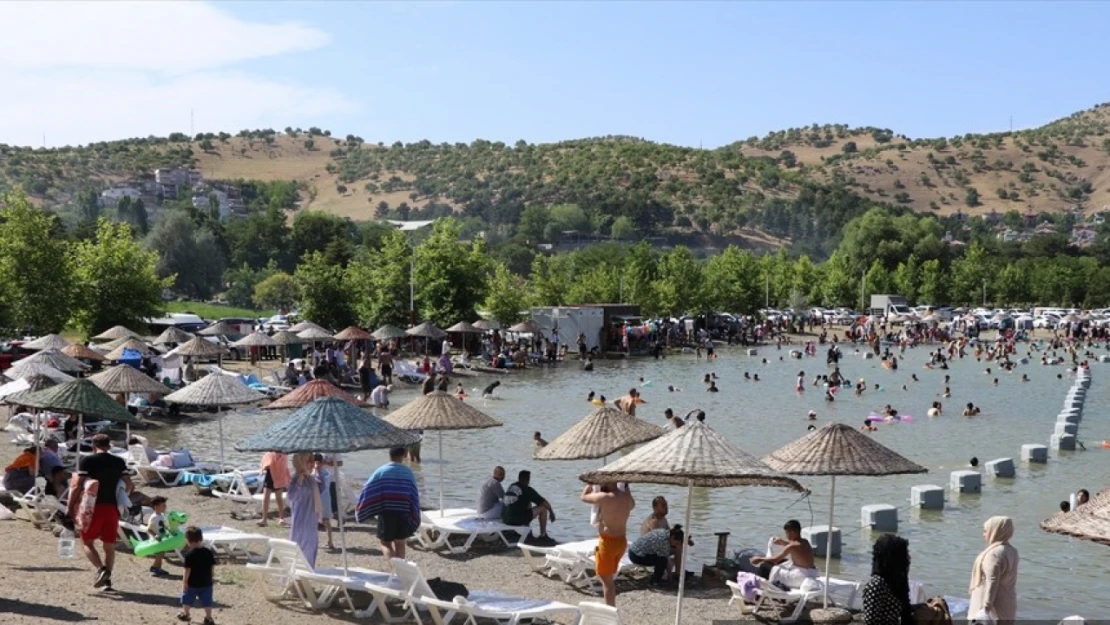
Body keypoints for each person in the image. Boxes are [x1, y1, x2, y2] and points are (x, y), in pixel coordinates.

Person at [72, 433, 132, 590]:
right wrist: (123, 496)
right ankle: (107, 581)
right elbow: (129, 484)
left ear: (93, 446)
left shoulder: (88, 461)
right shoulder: (118, 461)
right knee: (109, 546)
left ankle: (101, 569)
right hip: (112, 508)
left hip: (93, 507)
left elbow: (78, 486)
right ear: (109, 445)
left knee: (86, 541)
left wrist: (70, 506)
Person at [356, 447, 420, 563]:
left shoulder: (381, 471)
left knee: (385, 544)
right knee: (400, 544)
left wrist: (363, 508)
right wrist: (414, 513)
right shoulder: (408, 472)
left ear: (389, 455)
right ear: (404, 455)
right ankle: (401, 573)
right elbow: (414, 495)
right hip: (403, 513)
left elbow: (367, 488)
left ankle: (394, 571)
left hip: (386, 514)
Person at [581, 482, 635, 606]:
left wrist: (588, 486)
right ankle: (611, 610)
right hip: (621, 542)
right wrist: (626, 488)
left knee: (607, 583)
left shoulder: (604, 497)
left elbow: (583, 497)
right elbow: (631, 505)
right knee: (609, 578)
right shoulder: (627, 498)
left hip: (607, 542)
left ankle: (611, 613)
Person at [968, 516, 1019, 623]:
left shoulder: (994, 554)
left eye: (986, 531)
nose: (983, 534)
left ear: (995, 531)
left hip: (992, 609)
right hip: (1007, 605)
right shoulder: (1012, 551)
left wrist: (985, 609)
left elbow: (992, 581)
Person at [861, 534, 914, 625]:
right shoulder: (876, 585)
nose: (908, 557)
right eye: (905, 554)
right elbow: (870, 620)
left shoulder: (896, 581)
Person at [750, 519, 819, 589]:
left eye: (786, 532)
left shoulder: (792, 546)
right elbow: (796, 547)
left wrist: (759, 559)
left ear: (792, 532)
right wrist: (782, 542)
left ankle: (758, 589)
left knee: (764, 566)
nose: (786, 535)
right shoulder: (805, 542)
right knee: (783, 561)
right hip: (811, 573)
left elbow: (775, 560)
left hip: (799, 578)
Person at [287, 453, 325, 567]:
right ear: (302, 462)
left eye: (312, 461)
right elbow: (292, 497)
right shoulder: (295, 478)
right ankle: (297, 575)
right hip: (301, 516)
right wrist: (299, 481)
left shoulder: (310, 478)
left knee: (311, 544)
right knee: (300, 543)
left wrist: (319, 472)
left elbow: (321, 490)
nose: (312, 464)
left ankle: (307, 574)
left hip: (311, 516)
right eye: (310, 461)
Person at [503, 470, 556, 543]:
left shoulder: (512, 486)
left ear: (519, 478)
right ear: (528, 479)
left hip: (505, 518)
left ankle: (527, 531)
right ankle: (543, 535)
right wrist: (551, 512)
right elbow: (544, 503)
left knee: (526, 504)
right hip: (516, 520)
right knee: (543, 509)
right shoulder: (527, 489)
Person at [179, 526, 217, 625]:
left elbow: (187, 570)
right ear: (201, 538)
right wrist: (211, 576)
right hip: (206, 582)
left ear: (188, 540)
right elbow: (211, 566)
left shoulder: (189, 555)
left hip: (192, 583)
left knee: (186, 599)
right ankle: (208, 617)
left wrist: (184, 582)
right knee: (207, 601)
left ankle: (186, 614)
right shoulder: (208, 552)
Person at [258, 452, 289, 527]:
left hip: (279, 477)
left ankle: (281, 518)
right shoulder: (269, 454)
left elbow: (283, 467)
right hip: (269, 476)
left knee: (278, 498)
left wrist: (275, 463)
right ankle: (264, 519)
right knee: (265, 498)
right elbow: (265, 465)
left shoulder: (283, 455)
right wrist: (267, 465)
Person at [313, 454, 336, 550]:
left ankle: (330, 542)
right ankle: (313, 541)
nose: (317, 465)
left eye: (319, 463)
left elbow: (321, 486)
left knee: (326, 521)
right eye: (316, 463)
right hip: (316, 500)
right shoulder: (313, 473)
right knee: (313, 520)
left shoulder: (325, 473)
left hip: (324, 500)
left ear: (322, 463)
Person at [147, 496, 170, 577]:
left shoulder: (161, 515)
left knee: (162, 553)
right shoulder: (154, 517)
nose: (165, 507)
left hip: (162, 538)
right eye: (163, 505)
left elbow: (163, 525)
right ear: (156, 507)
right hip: (156, 539)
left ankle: (157, 567)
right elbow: (149, 529)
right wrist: (155, 536)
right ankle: (156, 567)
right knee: (160, 553)